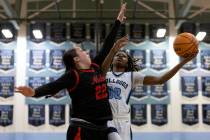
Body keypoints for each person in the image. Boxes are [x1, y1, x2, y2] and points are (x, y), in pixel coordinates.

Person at [15, 3, 127, 140]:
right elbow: (53, 86)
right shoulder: (74, 76)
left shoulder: (95, 66)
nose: (86, 52)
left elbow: (107, 45)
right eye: (81, 51)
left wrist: (118, 22)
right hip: (82, 129)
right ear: (76, 60)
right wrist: (34, 92)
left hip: (102, 128)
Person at [102, 36, 198, 140]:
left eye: (123, 56)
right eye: (117, 55)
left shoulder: (132, 76)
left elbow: (160, 80)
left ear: (127, 63)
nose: (120, 57)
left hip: (123, 120)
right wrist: (113, 50)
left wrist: (183, 62)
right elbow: (102, 71)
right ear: (112, 60)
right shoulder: (104, 75)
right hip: (107, 120)